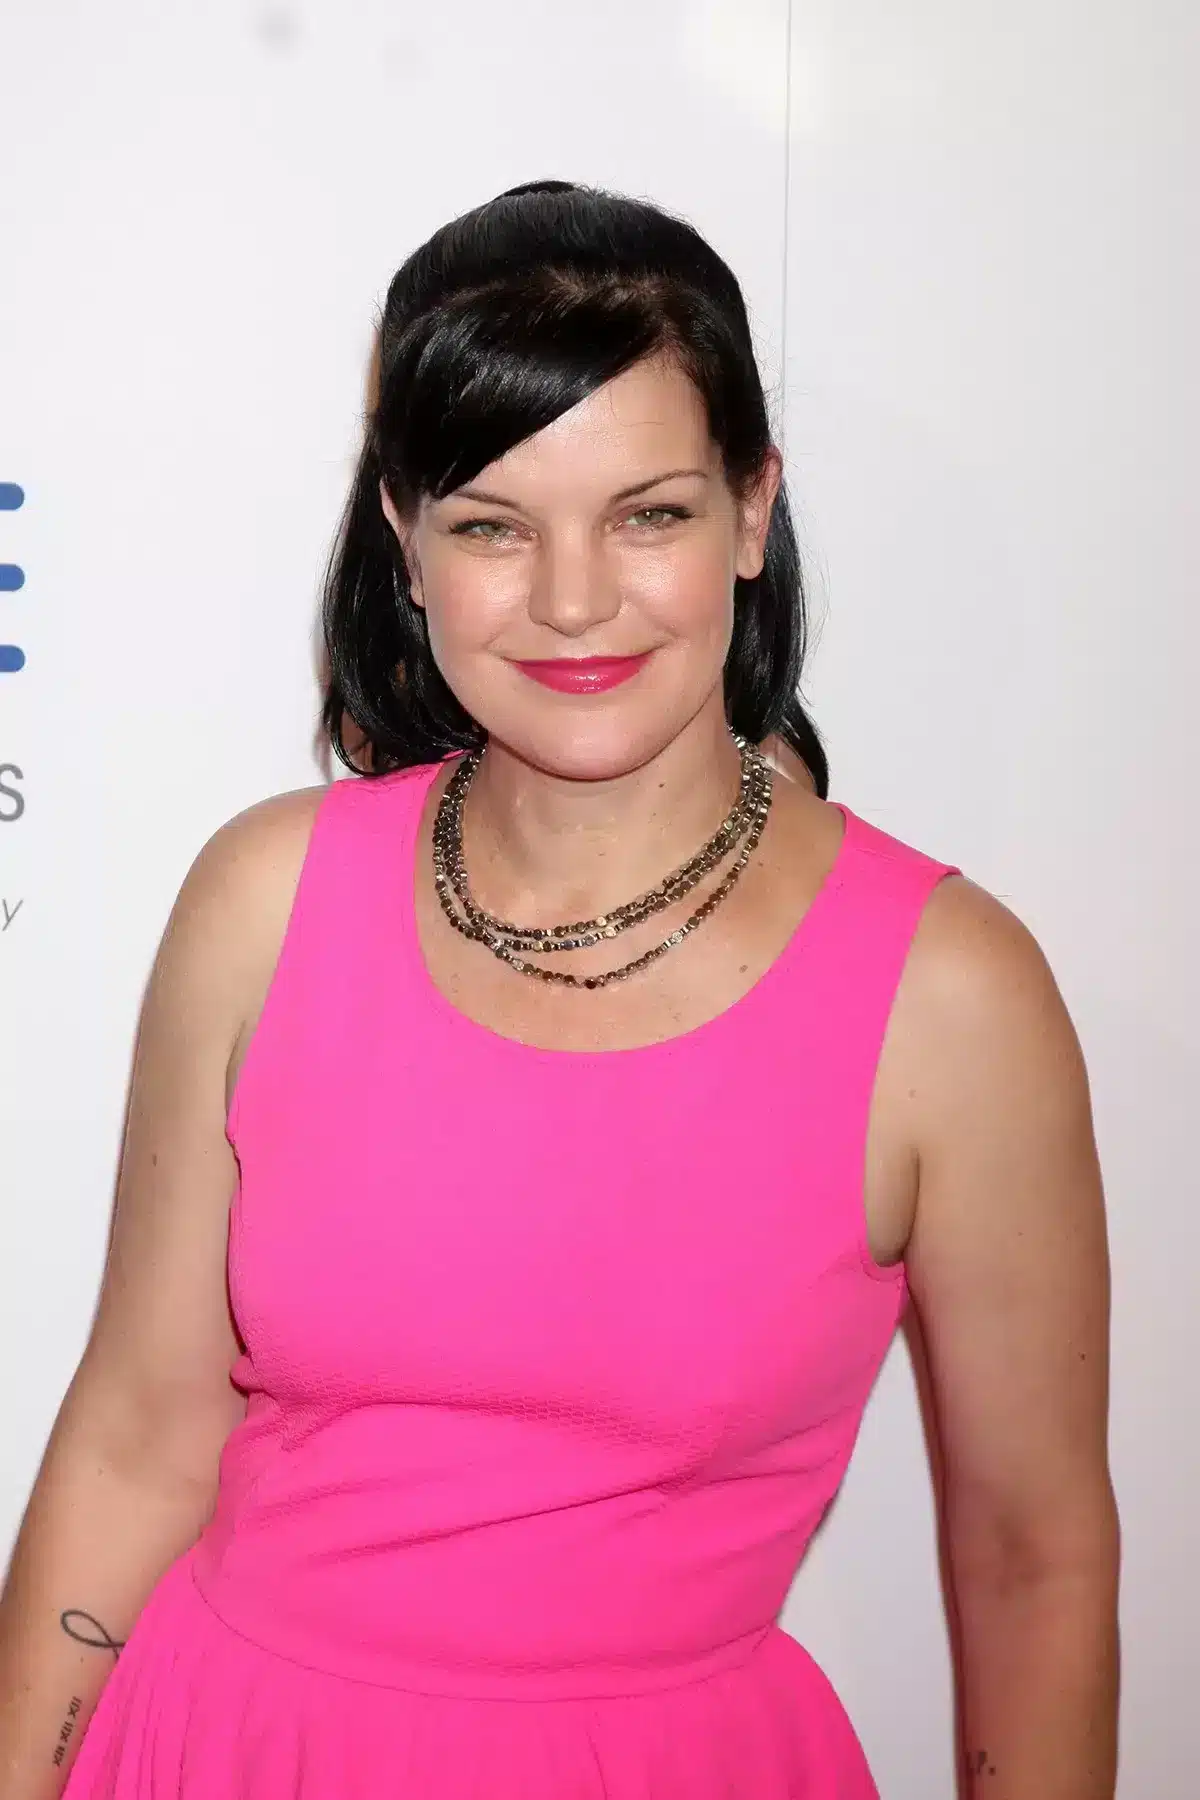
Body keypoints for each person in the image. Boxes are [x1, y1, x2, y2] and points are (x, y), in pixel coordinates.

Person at [0, 180, 1119, 1799]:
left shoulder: (952, 999)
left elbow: (1033, 1556)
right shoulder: (264, 900)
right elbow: (135, 1435)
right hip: (225, 1748)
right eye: (492, 526)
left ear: (753, 511)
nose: (574, 599)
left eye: (648, 514)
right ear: (405, 541)